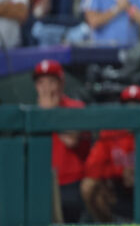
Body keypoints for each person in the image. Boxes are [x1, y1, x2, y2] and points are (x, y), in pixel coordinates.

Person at [81, 85, 140, 222]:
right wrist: (118, 173)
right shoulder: (111, 132)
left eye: (137, 106)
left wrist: (139, 175)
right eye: (128, 106)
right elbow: (92, 168)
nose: (132, 111)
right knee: (89, 186)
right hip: (118, 187)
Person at [34, 59, 90, 223]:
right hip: (42, 183)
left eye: (52, 82)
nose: (46, 88)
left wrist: (50, 115)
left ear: (62, 83)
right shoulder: (32, 112)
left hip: (72, 183)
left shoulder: (75, 106)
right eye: (41, 83)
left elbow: (71, 140)